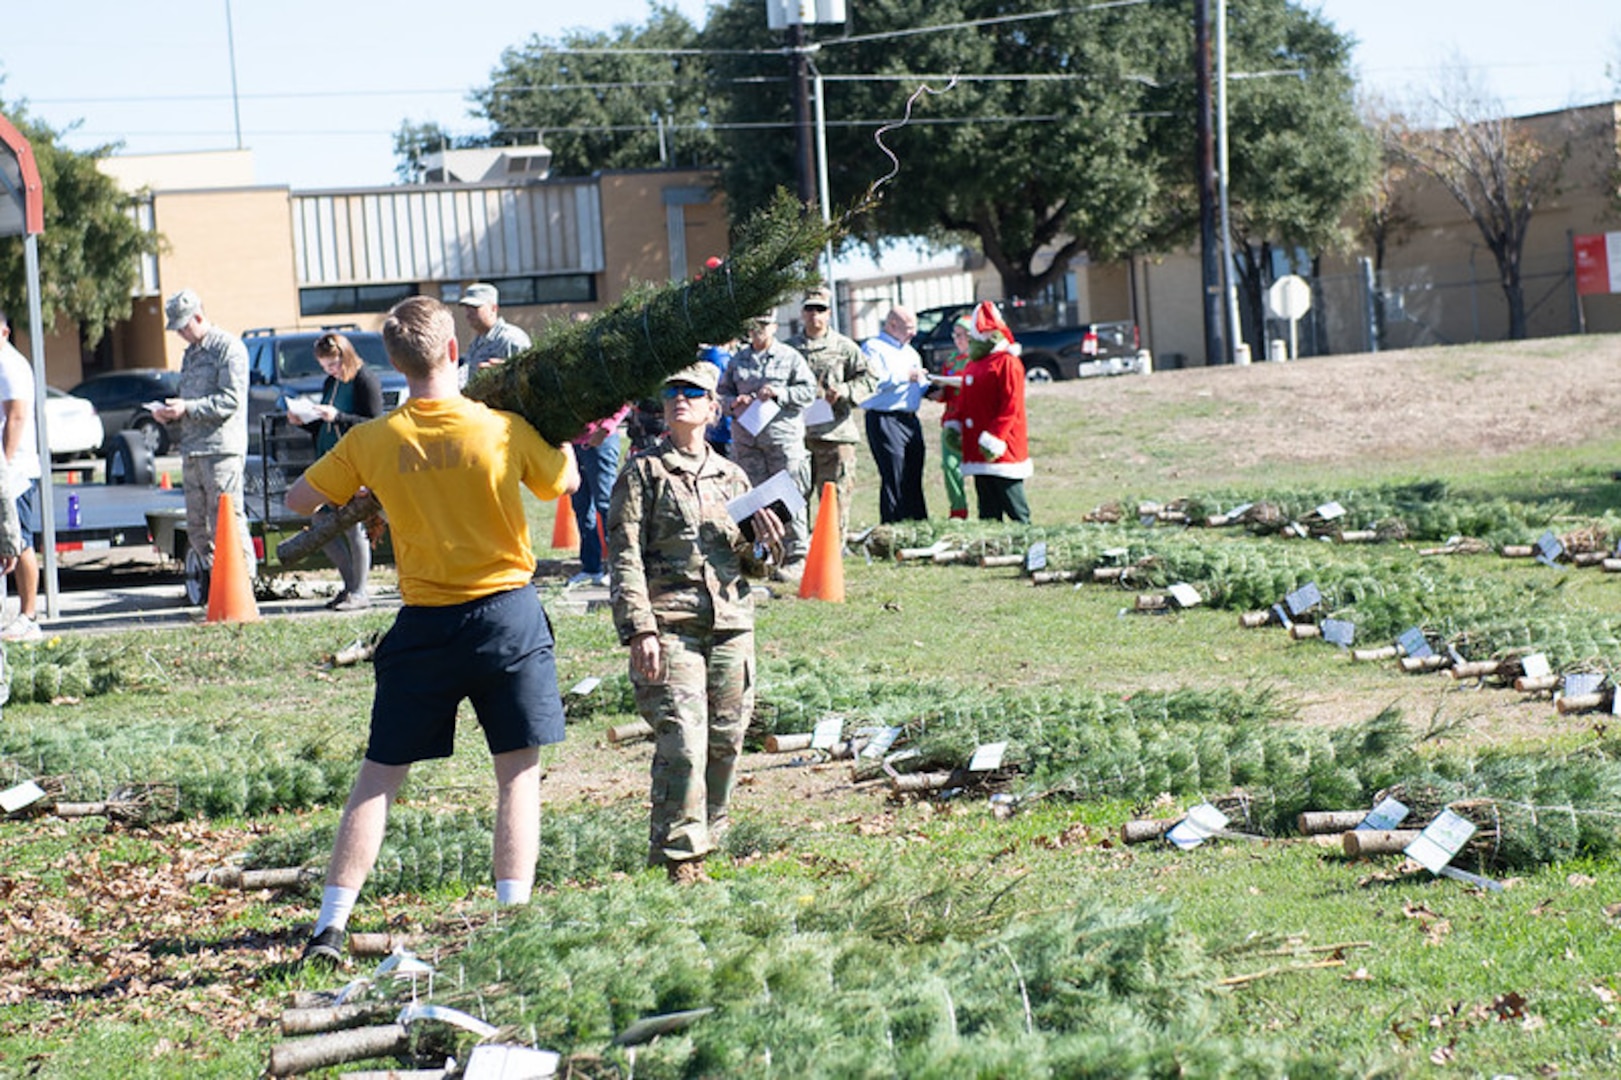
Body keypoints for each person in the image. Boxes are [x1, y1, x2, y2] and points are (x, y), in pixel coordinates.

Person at [285, 296, 579, 965]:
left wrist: (369, 492)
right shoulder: (500, 428)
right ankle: (512, 920)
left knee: (379, 777)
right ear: (454, 352)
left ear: (393, 362)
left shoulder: (373, 439)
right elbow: (564, 481)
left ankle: (329, 928)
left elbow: (300, 500)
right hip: (506, 616)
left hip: (422, 623)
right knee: (516, 775)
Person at [606, 362, 784, 884]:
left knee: (727, 738)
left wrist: (765, 545)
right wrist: (640, 629)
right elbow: (624, 556)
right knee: (684, 740)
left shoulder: (734, 476)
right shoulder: (643, 473)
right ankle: (680, 856)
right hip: (671, 625)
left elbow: (756, 564)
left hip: (730, 623)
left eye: (693, 393)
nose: (680, 399)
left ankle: (713, 835)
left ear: (714, 407)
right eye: (672, 393)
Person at [152, 289, 256, 586]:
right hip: (193, 449)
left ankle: (243, 584)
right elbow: (191, 400)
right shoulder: (192, 355)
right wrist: (171, 413)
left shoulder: (227, 348)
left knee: (227, 519)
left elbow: (230, 400)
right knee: (197, 527)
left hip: (221, 449)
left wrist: (187, 408)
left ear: (198, 316)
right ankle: (218, 582)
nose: (182, 334)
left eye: (185, 327)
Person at [288, 331, 385, 610]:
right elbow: (324, 425)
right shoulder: (331, 382)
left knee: (353, 527)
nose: (330, 371)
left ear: (345, 356)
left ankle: (360, 591)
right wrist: (303, 421)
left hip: (355, 464)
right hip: (329, 461)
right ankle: (350, 584)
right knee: (321, 522)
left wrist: (338, 416)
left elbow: (373, 424)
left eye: (332, 364)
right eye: (324, 366)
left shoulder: (365, 379)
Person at [717, 314, 816, 581]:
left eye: (762, 326)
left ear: (774, 327)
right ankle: (759, 557)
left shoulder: (790, 356)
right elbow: (719, 395)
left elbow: (809, 391)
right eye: (752, 327)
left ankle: (796, 557)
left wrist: (779, 394)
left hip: (783, 441)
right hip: (748, 442)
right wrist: (734, 402)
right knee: (753, 501)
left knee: (789, 498)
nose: (757, 332)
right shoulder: (737, 360)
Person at [786, 288, 875, 539]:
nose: (815, 315)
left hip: (835, 434)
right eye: (809, 309)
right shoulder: (789, 349)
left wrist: (845, 390)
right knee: (794, 496)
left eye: (821, 309)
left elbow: (869, 379)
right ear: (802, 313)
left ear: (829, 313)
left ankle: (830, 551)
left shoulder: (844, 347)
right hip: (797, 436)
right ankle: (797, 551)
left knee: (834, 497)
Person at [957, 301, 1033, 522]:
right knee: (988, 510)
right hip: (978, 448)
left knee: (1015, 507)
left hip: (1002, 447)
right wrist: (956, 425)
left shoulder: (1007, 362)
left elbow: (1012, 404)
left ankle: (1030, 549)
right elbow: (966, 400)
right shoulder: (974, 363)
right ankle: (993, 551)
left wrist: (995, 437)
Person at [860, 305, 928, 523]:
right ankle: (893, 525)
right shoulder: (873, 348)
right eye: (909, 327)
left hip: (910, 419)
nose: (913, 333)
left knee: (913, 474)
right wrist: (904, 376)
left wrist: (936, 388)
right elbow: (874, 380)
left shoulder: (911, 352)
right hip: (884, 418)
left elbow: (920, 384)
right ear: (892, 325)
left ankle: (917, 524)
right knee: (894, 475)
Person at [0, 311, 42, 642]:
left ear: (4, 331)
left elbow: (15, 417)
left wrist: (4, 463)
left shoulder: (10, 364)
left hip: (15, 472)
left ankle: (29, 616)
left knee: (20, 539)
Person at [567, 403, 631, 588]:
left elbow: (624, 398)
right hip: (573, 444)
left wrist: (606, 427)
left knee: (606, 504)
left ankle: (617, 568)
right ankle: (591, 568)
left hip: (601, 440)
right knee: (581, 506)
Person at [934, 316, 973, 520]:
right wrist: (936, 391)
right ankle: (958, 510)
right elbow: (946, 394)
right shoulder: (950, 361)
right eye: (955, 335)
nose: (958, 339)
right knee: (950, 465)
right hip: (952, 420)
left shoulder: (978, 360)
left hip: (974, 420)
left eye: (963, 335)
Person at [457, 282, 532, 388]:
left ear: (493, 308)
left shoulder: (511, 339)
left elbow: (528, 378)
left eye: (475, 307)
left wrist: (507, 373)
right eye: (467, 308)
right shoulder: (476, 343)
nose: (468, 313)